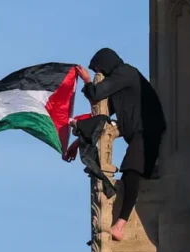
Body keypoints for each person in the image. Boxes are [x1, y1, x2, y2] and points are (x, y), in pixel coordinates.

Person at [71, 48, 166, 241]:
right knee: (134, 173)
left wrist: (87, 80)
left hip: (147, 131)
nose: (101, 74)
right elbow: (103, 116)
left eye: (100, 69)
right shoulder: (121, 83)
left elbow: (97, 93)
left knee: (131, 172)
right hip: (141, 133)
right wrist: (78, 128)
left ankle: (120, 226)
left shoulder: (125, 72)